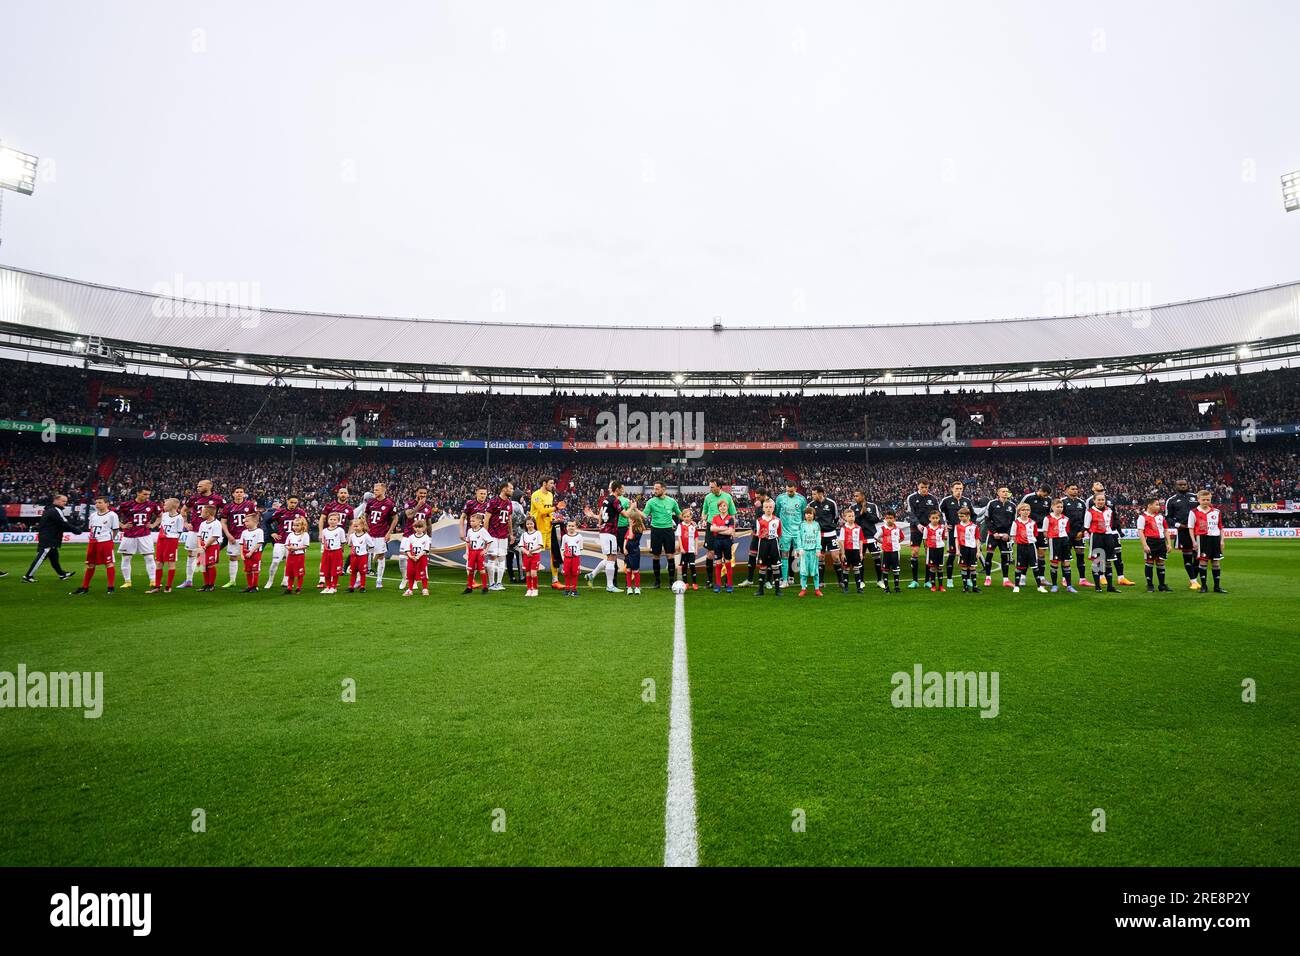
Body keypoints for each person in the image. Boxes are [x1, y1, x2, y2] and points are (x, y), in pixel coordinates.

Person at [22, 493, 79, 583]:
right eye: (63, 501)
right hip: (50, 538)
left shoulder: (50, 509)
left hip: (48, 537)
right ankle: (28, 576)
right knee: (41, 557)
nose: (65, 503)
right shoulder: (55, 510)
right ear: (56, 500)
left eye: (66, 501)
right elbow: (63, 523)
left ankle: (61, 574)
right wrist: (76, 530)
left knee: (54, 557)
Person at [70, 496, 119, 595]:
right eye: (96, 502)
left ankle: (111, 587)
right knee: (90, 564)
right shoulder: (93, 515)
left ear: (107, 504)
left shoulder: (112, 515)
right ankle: (85, 587)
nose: (97, 504)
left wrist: (109, 539)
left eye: (100, 502)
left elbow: (115, 529)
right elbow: (91, 528)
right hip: (93, 542)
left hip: (105, 542)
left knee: (108, 563)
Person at [181, 479, 224, 589]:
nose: (197, 488)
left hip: (210, 531)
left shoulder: (218, 499)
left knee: (207, 560)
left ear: (209, 486)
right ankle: (189, 580)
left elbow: (226, 512)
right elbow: (183, 510)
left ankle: (210, 583)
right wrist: (185, 523)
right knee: (191, 554)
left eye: (200, 486)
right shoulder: (194, 498)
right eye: (197, 486)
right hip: (195, 530)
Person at [117, 487, 161, 590]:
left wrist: (154, 525)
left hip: (145, 535)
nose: (147, 497)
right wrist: (122, 526)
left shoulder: (152, 505)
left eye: (148, 495)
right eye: (145, 494)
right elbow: (113, 516)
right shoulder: (126, 505)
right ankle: (127, 582)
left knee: (149, 557)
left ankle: (153, 581)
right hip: (129, 535)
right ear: (138, 493)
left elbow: (160, 516)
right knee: (126, 558)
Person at [587, 481, 625, 592]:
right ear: (617, 489)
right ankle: (609, 586)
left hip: (607, 531)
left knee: (611, 558)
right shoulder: (615, 500)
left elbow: (601, 515)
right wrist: (633, 508)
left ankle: (592, 575)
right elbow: (625, 514)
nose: (623, 490)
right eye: (622, 488)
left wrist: (598, 522)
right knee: (611, 557)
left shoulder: (606, 500)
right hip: (609, 531)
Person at [644, 481, 681, 588]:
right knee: (656, 556)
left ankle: (671, 581)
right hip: (656, 530)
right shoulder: (650, 502)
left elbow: (679, 514)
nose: (654, 491)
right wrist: (634, 510)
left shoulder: (672, 501)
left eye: (657, 489)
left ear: (664, 489)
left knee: (670, 555)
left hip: (668, 531)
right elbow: (644, 515)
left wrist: (690, 520)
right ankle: (657, 581)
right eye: (654, 489)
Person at [362, 482, 399, 588]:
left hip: (381, 534)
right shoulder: (370, 502)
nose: (374, 491)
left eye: (377, 489)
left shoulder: (389, 503)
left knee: (381, 556)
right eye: (374, 489)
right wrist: (365, 524)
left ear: (383, 490)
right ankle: (360, 579)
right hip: (369, 534)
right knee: (362, 554)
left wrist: (389, 532)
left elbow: (395, 518)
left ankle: (379, 580)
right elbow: (365, 514)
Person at [1164, 478, 1200, 588]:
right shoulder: (1171, 500)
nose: (1183, 486)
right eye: (1180, 485)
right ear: (1176, 486)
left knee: (1198, 557)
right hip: (1183, 531)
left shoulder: (1195, 497)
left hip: (1197, 531)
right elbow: (1168, 518)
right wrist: (1178, 525)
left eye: (1184, 484)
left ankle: (1194, 579)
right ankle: (1193, 581)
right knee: (1188, 556)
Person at [266, 495, 307, 590]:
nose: (293, 504)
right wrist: (272, 533)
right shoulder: (280, 512)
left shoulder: (300, 513)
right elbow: (267, 522)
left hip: (294, 542)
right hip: (281, 541)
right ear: (287, 501)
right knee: (275, 561)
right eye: (291, 502)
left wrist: (302, 538)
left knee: (289, 563)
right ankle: (270, 580)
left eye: (295, 503)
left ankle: (285, 581)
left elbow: (305, 525)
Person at [701, 480, 736, 591]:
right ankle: (710, 580)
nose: (711, 489)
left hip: (725, 526)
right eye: (710, 487)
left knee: (726, 556)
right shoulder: (708, 497)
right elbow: (704, 512)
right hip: (712, 526)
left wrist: (732, 530)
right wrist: (703, 519)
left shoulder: (727, 497)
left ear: (719, 487)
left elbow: (733, 514)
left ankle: (727, 581)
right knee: (711, 553)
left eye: (713, 487)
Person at [220, 487, 258, 589]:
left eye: (241, 492)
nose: (239, 494)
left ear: (244, 494)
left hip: (248, 536)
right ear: (233, 494)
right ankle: (232, 580)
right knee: (233, 557)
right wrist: (228, 535)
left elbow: (256, 519)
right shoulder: (228, 506)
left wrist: (254, 533)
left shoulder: (250, 505)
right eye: (237, 492)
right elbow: (223, 522)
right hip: (234, 536)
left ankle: (253, 584)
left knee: (251, 559)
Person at [939, 480, 974, 588]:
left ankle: (967, 579)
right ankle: (949, 579)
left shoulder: (967, 501)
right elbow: (939, 513)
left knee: (967, 556)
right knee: (952, 555)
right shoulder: (946, 501)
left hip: (966, 533)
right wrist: (944, 524)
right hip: (952, 532)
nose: (959, 491)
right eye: (957, 489)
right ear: (952, 490)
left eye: (960, 489)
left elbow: (973, 515)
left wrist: (972, 525)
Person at [1191, 490, 1227, 593]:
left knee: (1216, 562)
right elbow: (1191, 528)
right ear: (1198, 500)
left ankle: (1217, 587)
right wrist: (1194, 541)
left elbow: (1220, 527)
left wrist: (1222, 541)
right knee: (1203, 561)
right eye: (1203, 500)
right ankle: (1204, 586)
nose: (1206, 501)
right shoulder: (1194, 512)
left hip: (1215, 538)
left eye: (1208, 499)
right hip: (1202, 538)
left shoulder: (1216, 511)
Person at [398, 487, 434, 587]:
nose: (422, 495)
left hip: (421, 537)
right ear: (416, 493)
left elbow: (429, 523)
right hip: (408, 534)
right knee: (402, 558)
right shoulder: (408, 503)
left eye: (424, 493)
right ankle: (405, 577)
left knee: (418, 559)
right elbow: (409, 516)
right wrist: (418, 505)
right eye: (420, 493)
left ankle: (414, 580)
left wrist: (429, 538)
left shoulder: (428, 508)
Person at [904, 479, 938, 589]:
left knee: (929, 553)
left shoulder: (933, 499)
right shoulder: (911, 497)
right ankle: (915, 581)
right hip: (915, 527)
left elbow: (937, 513)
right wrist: (918, 524)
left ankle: (927, 581)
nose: (924, 489)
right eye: (922, 487)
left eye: (926, 487)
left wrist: (934, 526)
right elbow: (910, 513)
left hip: (929, 529)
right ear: (918, 486)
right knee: (914, 552)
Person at [148, 498, 186, 593]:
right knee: (159, 563)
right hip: (161, 541)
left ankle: (168, 586)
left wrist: (169, 536)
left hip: (171, 542)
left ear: (173, 506)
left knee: (171, 563)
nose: (163, 506)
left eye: (165, 505)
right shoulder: (164, 515)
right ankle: (157, 586)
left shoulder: (179, 518)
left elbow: (179, 532)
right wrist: (153, 526)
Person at [1136, 498, 1173, 593]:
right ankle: (1150, 585)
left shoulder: (1160, 517)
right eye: (1156, 504)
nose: (1159, 506)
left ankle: (1162, 585)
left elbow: (1165, 530)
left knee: (1161, 562)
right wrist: (1145, 545)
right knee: (1150, 562)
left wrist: (1168, 543)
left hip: (1161, 542)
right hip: (1150, 542)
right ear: (1149, 505)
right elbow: (1140, 532)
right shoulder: (1142, 517)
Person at [774, 481, 807, 587]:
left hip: (797, 532)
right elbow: (777, 514)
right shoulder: (780, 498)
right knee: (784, 556)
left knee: (800, 556)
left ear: (796, 489)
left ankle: (803, 581)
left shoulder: (801, 499)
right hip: (784, 533)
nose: (789, 493)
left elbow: (804, 515)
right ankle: (784, 581)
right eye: (787, 491)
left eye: (791, 491)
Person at [484, 481, 515, 592]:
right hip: (492, 535)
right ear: (504, 489)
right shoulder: (493, 501)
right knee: (492, 557)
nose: (512, 490)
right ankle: (491, 583)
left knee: (502, 558)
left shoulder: (509, 503)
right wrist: (485, 535)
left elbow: (509, 520)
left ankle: (499, 583)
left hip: (503, 536)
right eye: (511, 488)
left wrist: (511, 534)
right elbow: (486, 519)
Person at [529, 477, 559, 589]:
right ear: (544, 483)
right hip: (537, 530)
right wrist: (555, 508)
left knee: (554, 554)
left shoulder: (550, 495)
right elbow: (541, 511)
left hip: (548, 528)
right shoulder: (536, 495)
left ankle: (555, 579)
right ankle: (531, 578)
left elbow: (548, 511)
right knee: (535, 554)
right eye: (551, 483)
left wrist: (553, 518)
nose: (553, 485)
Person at [1084, 492, 1119, 593]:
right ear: (1094, 501)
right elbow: (1086, 527)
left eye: (1102, 500)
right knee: (1097, 561)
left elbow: (1111, 524)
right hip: (1096, 537)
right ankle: (1097, 586)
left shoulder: (1109, 511)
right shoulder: (1090, 512)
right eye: (1098, 500)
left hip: (1108, 536)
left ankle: (1110, 586)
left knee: (1108, 561)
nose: (1100, 502)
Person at [982, 486, 1015, 588]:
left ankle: (1005, 580)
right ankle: (988, 578)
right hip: (993, 535)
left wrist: (1008, 534)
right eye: (1003, 491)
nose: (1005, 493)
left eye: (1007, 491)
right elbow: (987, 519)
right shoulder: (992, 504)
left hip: (1005, 536)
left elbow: (1013, 522)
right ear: (998, 493)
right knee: (989, 555)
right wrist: (994, 532)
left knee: (1005, 557)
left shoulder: (1012, 506)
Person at [1061, 483, 1092, 587]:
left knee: (1080, 555)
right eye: (1072, 489)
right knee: (1065, 556)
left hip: (1079, 533)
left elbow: (1085, 518)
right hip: (1066, 534)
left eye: (1076, 489)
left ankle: (1082, 579)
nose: (1075, 490)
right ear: (1066, 490)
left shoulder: (1081, 503)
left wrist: (1082, 531)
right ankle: (1065, 578)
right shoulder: (1062, 502)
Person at [1011, 502, 1046, 594]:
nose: (1026, 512)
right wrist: (1020, 542)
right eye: (1023, 510)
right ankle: (1016, 586)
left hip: (1031, 546)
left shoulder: (1032, 523)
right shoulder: (1016, 523)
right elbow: (1013, 536)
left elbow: (1035, 534)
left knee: (1035, 566)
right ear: (1019, 512)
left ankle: (1039, 586)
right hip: (1021, 547)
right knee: (1019, 567)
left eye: (1027, 510)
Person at [1042, 498, 1076, 593]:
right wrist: (1051, 539)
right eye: (1058, 507)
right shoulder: (1047, 518)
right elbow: (1045, 532)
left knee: (1066, 562)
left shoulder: (1066, 519)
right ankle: (1054, 585)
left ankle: (1069, 586)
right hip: (1054, 541)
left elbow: (1067, 531)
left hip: (1064, 541)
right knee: (1054, 562)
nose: (1060, 508)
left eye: (1061, 507)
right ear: (1052, 507)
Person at [752, 498, 783, 597]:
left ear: (773, 508)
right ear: (763, 508)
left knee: (775, 566)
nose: (768, 509)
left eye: (770, 507)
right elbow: (757, 534)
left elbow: (779, 533)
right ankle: (760, 589)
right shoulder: (759, 520)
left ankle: (778, 590)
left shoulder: (777, 520)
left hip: (774, 542)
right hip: (763, 543)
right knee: (762, 565)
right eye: (766, 507)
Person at [709, 497, 737, 593]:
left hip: (726, 542)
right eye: (721, 506)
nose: (723, 507)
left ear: (727, 507)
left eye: (724, 506)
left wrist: (718, 529)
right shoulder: (715, 518)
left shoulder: (730, 518)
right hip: (717, 542)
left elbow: (730, 532)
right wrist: (724, 528)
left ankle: (729, 585)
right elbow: (712, 529)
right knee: (718, 563)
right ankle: (718, 585)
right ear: (718, 508)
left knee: (728, 562)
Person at [795, 506, 823, 597]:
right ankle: (803, 589)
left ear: (813, 515)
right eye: (807, 513)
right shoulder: (801, 525)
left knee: (815, 571)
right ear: (805, 515)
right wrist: (800, 548)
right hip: (804, 551)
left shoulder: (817, 525)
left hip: (814, 551)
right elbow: (798, 538)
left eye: (810, 513)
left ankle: (817, 589)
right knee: (803, 571)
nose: (809, 515)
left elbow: (818, 537)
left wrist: (818, 549)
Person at [953, 506, 982, 593]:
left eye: (962, 516)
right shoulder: (957, 526)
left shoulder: (974, 526)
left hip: (972, 549)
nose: (960, 518)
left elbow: (977, 539)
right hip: (963, 549)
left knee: (972, 567)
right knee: (964, 567)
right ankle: (965, 587)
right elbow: (956, 538)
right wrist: (957, 550)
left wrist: (978, 551)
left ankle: (974, 586)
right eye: (959, 516)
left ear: (968, 515)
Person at [196, 505, 225, 592]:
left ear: (208, 513)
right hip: (203, 547)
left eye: (202, 512)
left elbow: (214, 537)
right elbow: (199, 536)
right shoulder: (202, 523)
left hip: (212, 546)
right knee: (204, 565)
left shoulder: (216, 523)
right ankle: (206, 584)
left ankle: (211, 584)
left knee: (211, 565)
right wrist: (199, 546)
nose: (201, 513)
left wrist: (205, 546)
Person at [400, 518, 432, 596]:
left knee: (423, 573)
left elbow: (426, 549)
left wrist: (418, 556)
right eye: (416, 527)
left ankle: (424, 589)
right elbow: (407, 548)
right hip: (412, 559)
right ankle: (410, 589)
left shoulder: (426, 538)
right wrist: (410, 556)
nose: (418, 529)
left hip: (422, 558)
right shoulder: (411, 537)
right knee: (411, 574)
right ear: (413, 528)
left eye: (420, 527)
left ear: (424, 528)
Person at [837, 507, 864, 594]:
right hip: (847, 551)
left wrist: (860, 552)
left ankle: (859, 588)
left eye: (853, 516)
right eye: (849, 516)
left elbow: (860, 540)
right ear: (845, 517)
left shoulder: (858, 528)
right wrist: (843, 553)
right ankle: (846, 587)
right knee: (846, 569)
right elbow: (841, 541)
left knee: (856, 569)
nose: (851, 518)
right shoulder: (843, 528)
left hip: (856, 551)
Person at [464, 512, 492, 594]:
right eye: (470, 521)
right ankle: (469, 587)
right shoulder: (469, 531)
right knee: (470, 570)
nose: (471, 523)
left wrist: (486, 550)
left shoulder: (483, 531)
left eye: (473, 521)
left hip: (479, 552)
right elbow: (467, 541)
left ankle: (484, 587)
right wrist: (467, 551)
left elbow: (489, 541)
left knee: (482, 570)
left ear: (479, 522)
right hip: (472, 552)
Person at [319, 511, 346, 594]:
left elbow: (343, 542)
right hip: (327, 552)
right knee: (326, 570)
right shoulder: (324, 531)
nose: (332, 521)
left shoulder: (340, 530)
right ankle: (328, 586)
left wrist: (341, 550)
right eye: (331, 519)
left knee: (334, 570)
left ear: (338, 521)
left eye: (335, 519)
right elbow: (324, 542)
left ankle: (333, 586)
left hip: (336, 552)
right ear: (327, 520)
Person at [878, 510, 905, 593]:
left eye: (891, 518)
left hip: (895, 552)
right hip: (886, 552)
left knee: (896, 570)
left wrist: (896, 543)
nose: (889, 520)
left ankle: (897, 587)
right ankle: (886, 587)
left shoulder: (897, 529)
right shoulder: (883, 528)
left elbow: (902, 537)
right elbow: (876, 537)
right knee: (885, 569)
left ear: (894, 519)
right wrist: (883, 542)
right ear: (885, 519)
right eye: (887, 518)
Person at [623, 500, 646, 595]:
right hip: (628, 551)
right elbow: (626, 539)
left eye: (631, 519)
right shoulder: (631, 528)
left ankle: (637, 587)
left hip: (635, 551)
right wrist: (624, 548)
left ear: (634, 520)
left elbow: (631, 537)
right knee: (628, 569)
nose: (629, 520)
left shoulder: (638, 529)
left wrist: (630, 525)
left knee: (635, 570)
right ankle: (629, 587)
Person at [518, 516, 544, 597]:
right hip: (526, 556)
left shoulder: (538, 533)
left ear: (534, 524)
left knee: (533, 573)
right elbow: (521, 546)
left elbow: (540, 545)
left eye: (531, 524)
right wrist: (526, 552)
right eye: (528, 524)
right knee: (528, 573)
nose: (529, 525)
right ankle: (529, 589)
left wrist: (531, 551)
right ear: (525, 525)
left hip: (535, 555)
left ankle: (535, 589)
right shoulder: (524, 535)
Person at [239, 513, 265, 592]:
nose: (245, 523)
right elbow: (241, 543)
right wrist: (241, 553)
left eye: (247, 521)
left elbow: (259, 543)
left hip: (255, 554)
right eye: (245, 521)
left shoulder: (259, 531)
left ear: (255, 522)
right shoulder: (244, 532)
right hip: (246, 553)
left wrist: (251, 552)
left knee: (255, 570)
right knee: (248, 570)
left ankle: (255, 586)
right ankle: (249, 586)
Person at [284, 516, 310, 594]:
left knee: (299, 573)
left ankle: (298, 587)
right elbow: (286, 544)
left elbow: (306, 545)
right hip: (291, 556)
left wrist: (296, 548)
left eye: (297, 525)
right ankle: (289, 587)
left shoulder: (305, 535)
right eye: (294, 525)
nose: (295, 527)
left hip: (299, 556)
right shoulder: (290, 535)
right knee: (290, 572)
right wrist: (289, 547)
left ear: (302, 526)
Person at [922, 510, 947, 592]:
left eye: (936, 518)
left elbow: (943, 538)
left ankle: (940, 586)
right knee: (932, 567)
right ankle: (933, 586)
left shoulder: (941, 528)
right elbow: (925, 540)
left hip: (940, 549)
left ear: (939, 518)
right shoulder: (926, 528)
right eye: (933, 518)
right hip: (931, 549)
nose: (935, 520)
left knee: (940, 567)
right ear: (929, 518)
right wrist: (926, 549)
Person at [677, 508, 701, 590]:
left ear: (691, 517)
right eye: (685, 516)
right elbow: (679, 537)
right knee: (684, 566)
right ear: (682, 517)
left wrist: (696, 549)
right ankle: (685, 583)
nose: (686, 518)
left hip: (691, 550)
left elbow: (696, 538)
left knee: (692, 566)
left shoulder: (693, 526)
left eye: (688, 516)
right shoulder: (680, 525)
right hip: (684, 550)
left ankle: (694, 583)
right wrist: (681, 548)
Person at [560, 519, 585, 597]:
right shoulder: (564, 537)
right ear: (567, 527)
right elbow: (562, 548)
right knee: (566, 574)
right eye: (569, 526)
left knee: (575, 574)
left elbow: (580, 548)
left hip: (575, 558)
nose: (571, 527)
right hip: (567, 558)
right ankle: (567, 589)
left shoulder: (579, 536)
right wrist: (564, 557)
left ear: (576, 527)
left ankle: (574, 589)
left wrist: (575, 554)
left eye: (573, 526)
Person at [347, 516, 371, 593]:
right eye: (354, 526)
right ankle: (351, 586)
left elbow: (371, 545)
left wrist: (365, 550)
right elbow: (350, 545)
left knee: (362, 572)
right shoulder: (352, 536)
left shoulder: (366, 536)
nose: (356, 527)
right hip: (354, 557)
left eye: (357, 526)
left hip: (362, 556)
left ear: (362, 526)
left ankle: (362, 586)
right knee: (353, 572)